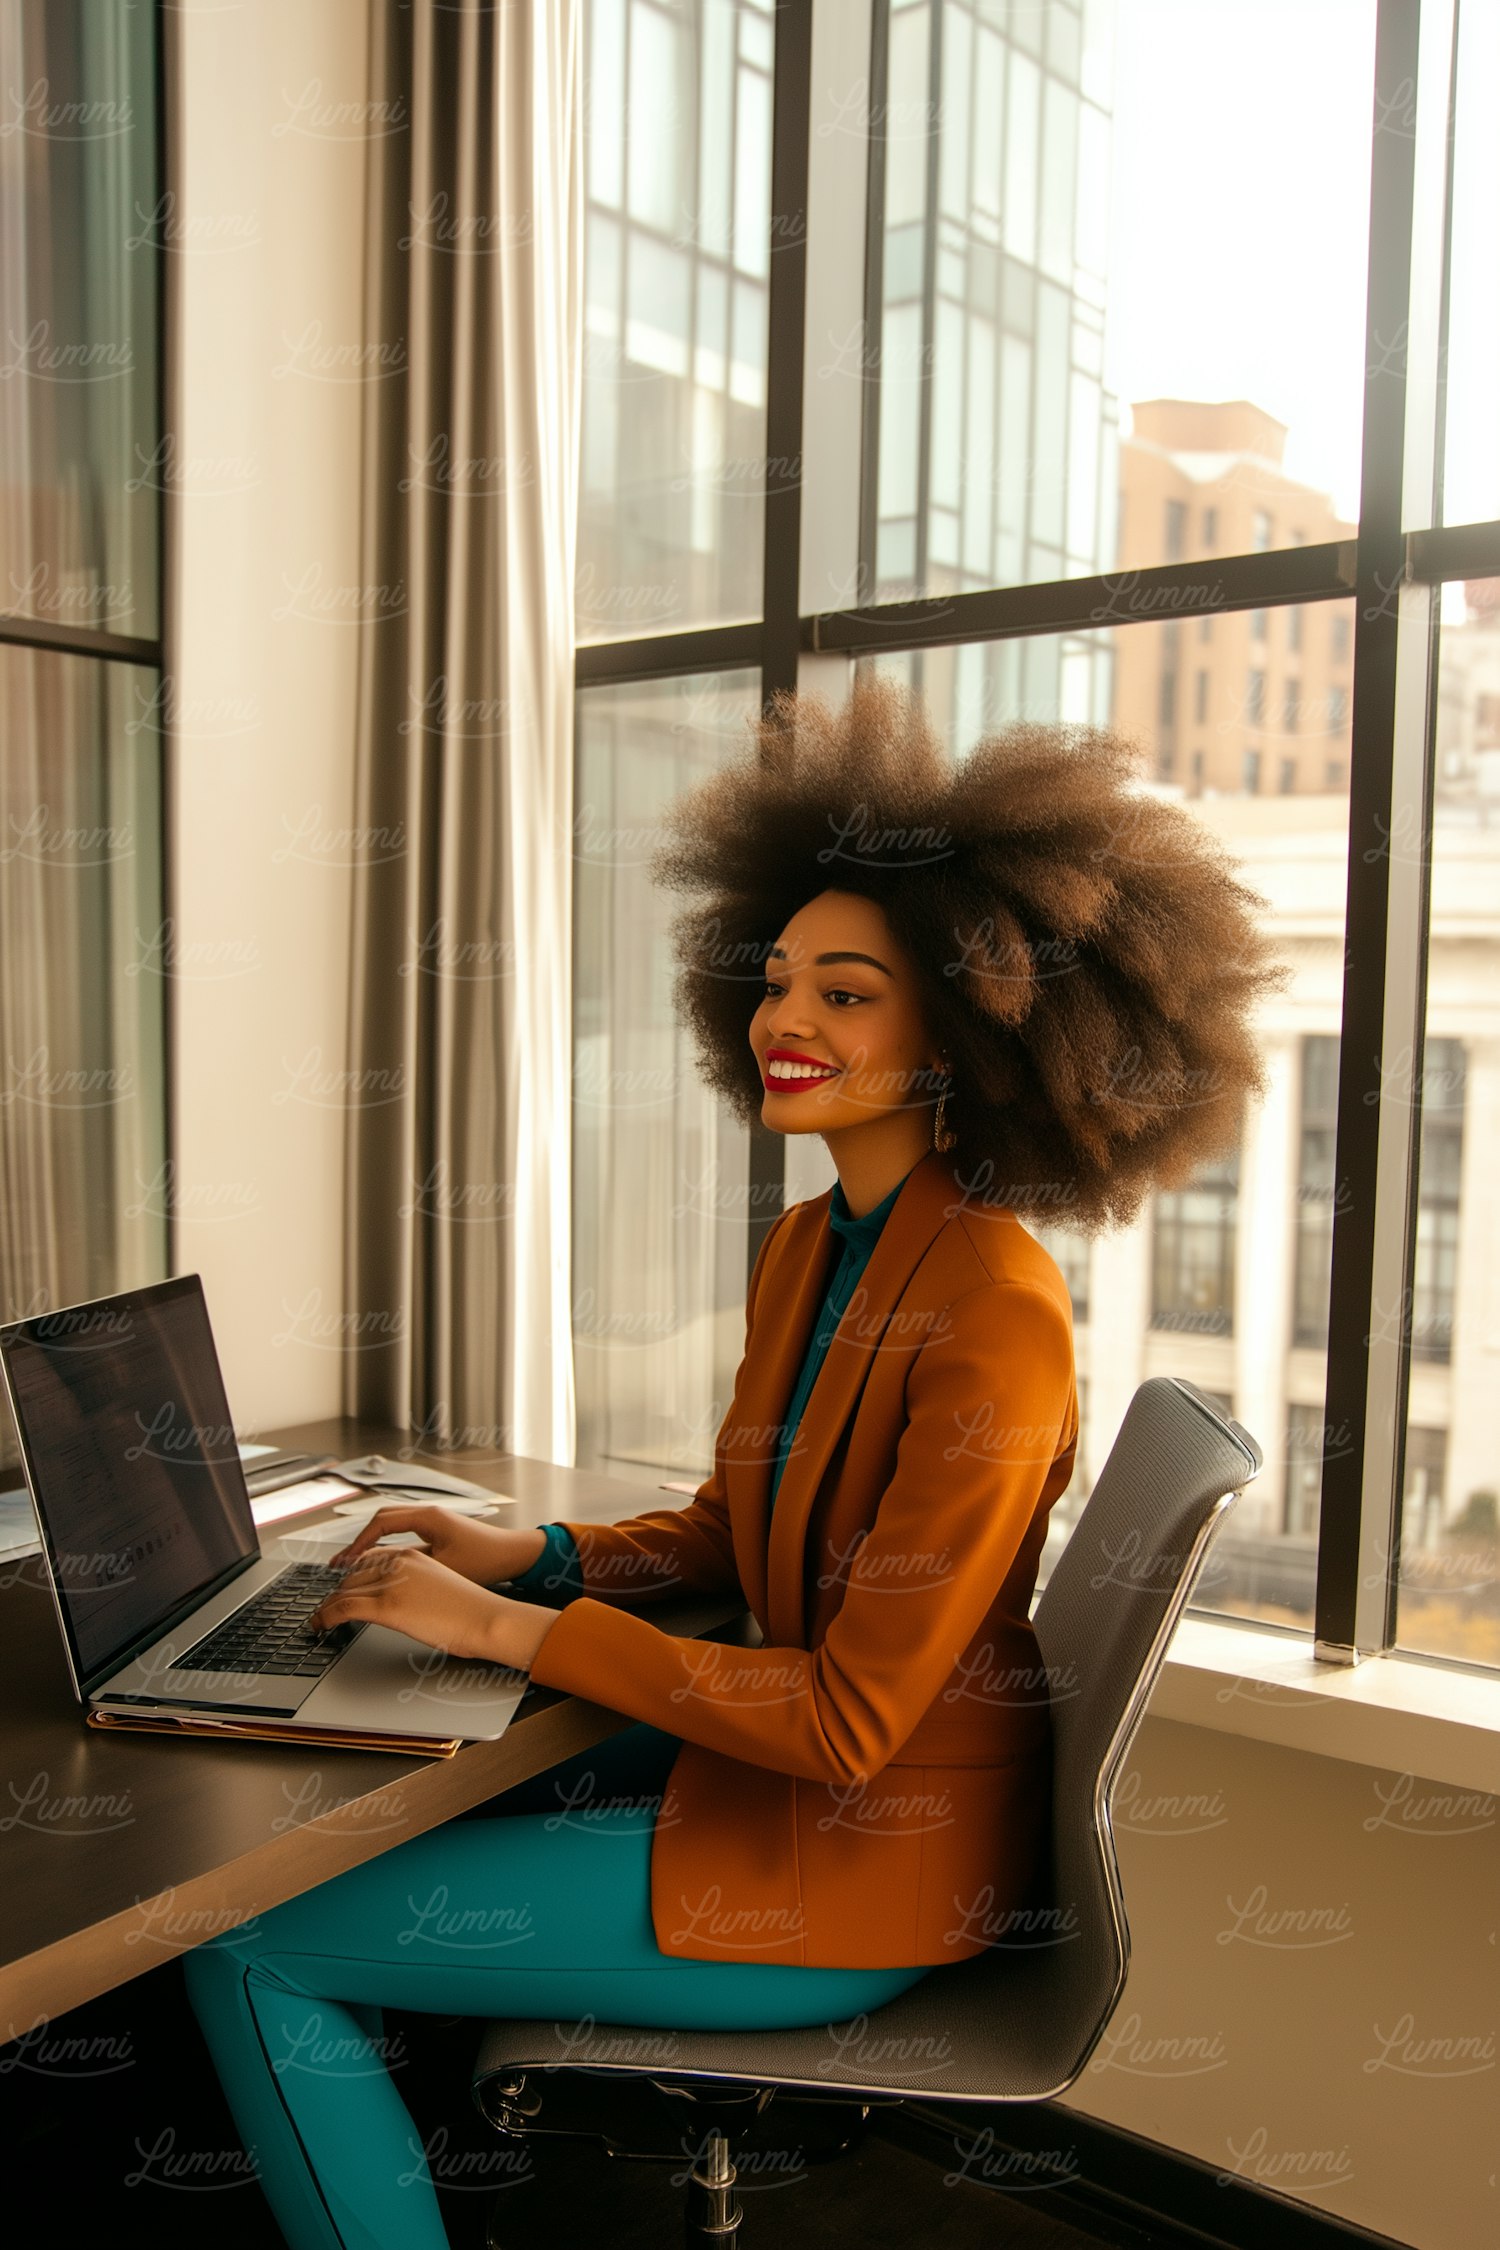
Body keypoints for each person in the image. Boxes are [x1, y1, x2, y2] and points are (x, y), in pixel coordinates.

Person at [182, 678, 1284, 2250]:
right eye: (775, 983)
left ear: (968, 1031)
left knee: (247, 1941)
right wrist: (531, 1562)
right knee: (397, 1791)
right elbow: (727, 1530)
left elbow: (844, 1721)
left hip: (867, 1854)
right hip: (782, 1789)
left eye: (848, 995)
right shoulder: (806, 1247)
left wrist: (500, 1630)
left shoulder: (997, 1313)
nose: (785, 1021)